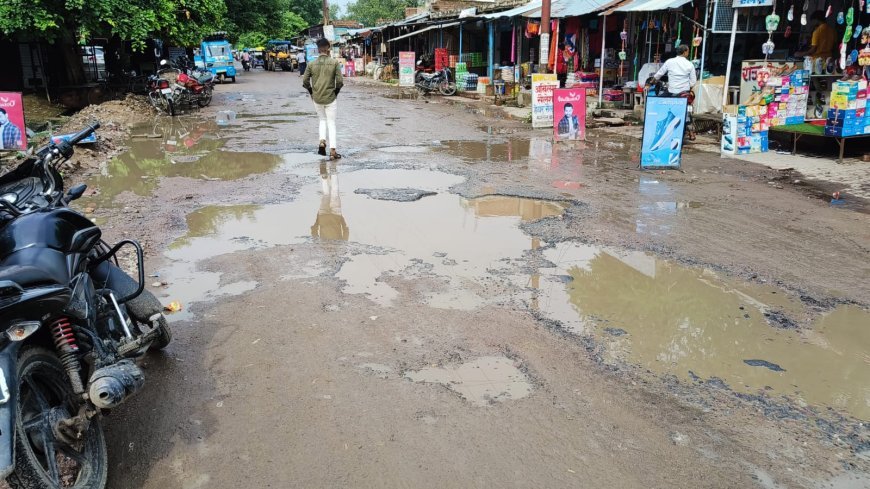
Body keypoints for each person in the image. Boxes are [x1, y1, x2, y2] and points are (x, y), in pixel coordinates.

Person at [302, 38, 344, 160]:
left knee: (322, 120)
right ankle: (333, 151)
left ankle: (321, 142)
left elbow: (305, 81)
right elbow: (340, 82)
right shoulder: (334, 63)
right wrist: (335, 92)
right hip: (330, 97)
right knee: (331, 123)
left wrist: (311, 92)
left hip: (317, 98)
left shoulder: (311, 64)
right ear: (328, 48)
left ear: (318, 49)